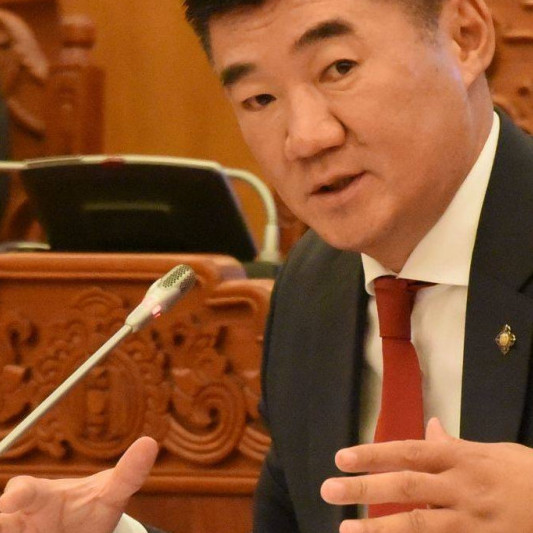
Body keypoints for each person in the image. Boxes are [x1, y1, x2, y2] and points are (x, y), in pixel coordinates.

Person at [0, 0, 532, 531]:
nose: (307, 138)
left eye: (339, 68)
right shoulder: (312, 288)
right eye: (260, 98)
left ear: (464, 37)